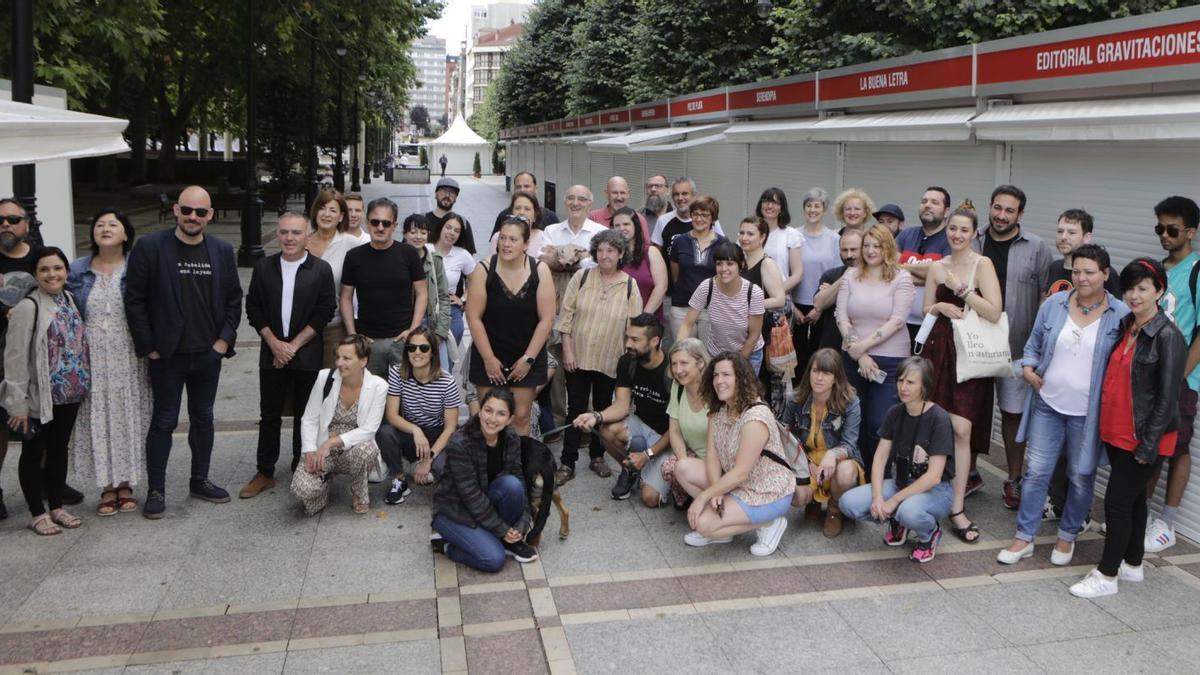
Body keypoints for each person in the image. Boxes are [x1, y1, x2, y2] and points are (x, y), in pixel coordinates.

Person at [997, 244, 1128, 567]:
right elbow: (1034, 343)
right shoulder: (1054, 304)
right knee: (1037, 472)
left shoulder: (1121, 314)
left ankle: (1067, 535)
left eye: (1089, 272)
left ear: (1106, 274)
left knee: (1081, 475)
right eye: (1077, 271)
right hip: (1047, 405)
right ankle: (1023, 538)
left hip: (1088, 413)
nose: (1081, 278)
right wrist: (1028, 367)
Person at [1070, 258, 1186, 598]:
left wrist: (1148, 445)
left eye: (1143, 289)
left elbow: (1167, 399)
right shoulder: (1127, 325)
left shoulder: (1168, 336)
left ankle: (1106, 575)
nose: (1135, 296)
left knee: (1117, 503)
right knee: (1134, 501)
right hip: (1119, 431)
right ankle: (1132, 564)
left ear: (1159, 291)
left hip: (1146, 437)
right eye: (1131, 288)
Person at [125, 185, 243, 519]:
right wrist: (148, 346)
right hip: (167, 355)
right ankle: (156, 490)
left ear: (211, 215)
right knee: (163, 421)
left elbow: (234, 299)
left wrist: (223, 342)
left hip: (207, 354)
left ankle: (200, 479)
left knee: (204, 418)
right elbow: (134, 300)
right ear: (176, 210)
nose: (193, 217)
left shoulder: (221, 250)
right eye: (187, 210)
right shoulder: (150, 247)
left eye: (201, 212)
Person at [239, 212, 336, 499]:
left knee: (305, 415)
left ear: (308, 236)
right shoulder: (264, 267)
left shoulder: (320, 270)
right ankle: (265, 471)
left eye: (296, 232)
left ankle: (300, 466)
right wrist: (274, 344)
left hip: (306, 354)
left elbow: (324, 311)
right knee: (269, 414)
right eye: (284, 232)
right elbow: (254, 309)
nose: (289, 238)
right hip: (271, 355)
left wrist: (292, 346)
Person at [919, 203, 1002, 540]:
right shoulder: (937, 267)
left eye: (964, 230)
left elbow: (995, 312)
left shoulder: (983, 264)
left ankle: (957, 505)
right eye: (953, 229)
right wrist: (938, 305)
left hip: (970, 352)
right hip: (938, 350)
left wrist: (963, 290)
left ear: (974, 233)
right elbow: (926, 307)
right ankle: (928, 494)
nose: (956, 235)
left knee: (962, 429)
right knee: (932, 424)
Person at [0, 198, 83, 519]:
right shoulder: (28, 306)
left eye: (12, 218)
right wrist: (16, 400)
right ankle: (37, 511)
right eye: (45, 270)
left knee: (55, 446)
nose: (5, 224)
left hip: (62, 390)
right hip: (27, 380)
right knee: (29, 447)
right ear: (35, 275)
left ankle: (55, 500)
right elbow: (17, 355)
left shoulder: (70, 299)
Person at [972, 185, 1053, 509]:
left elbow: (1046, 296)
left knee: (1012, 415)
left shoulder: (1036, 247)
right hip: (974, 345)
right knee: (972, 412)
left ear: (1020, 214)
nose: (1001, 215)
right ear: (989, 207)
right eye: (997, 208)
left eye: (1009, 210)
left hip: (1016, 348)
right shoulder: (973, 239)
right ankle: (969, 474)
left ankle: (1014, 478)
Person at [67, 210, 150, 516]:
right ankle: (106, 486)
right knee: (98, 417)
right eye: (99, 224)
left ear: (126, 234)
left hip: (127, 354)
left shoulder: (136, 269)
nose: (104, 228)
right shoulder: (77, 270)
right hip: (91, 356)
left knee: (127, 414)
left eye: (112, 224)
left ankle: (126, 483)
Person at [674, 352, 795, 557]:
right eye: (715, 375)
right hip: (735, 485)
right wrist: (716, 491)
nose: (719, 381)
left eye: (726, 375)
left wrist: (704, 497)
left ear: (741, 378)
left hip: (766, 490)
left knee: (703, 524)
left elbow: (741, 473)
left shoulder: (756, 417)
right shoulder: (719, 410)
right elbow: (712, 456)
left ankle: (769, 523)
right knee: (682, 467)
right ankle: (724, 527)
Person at [839, 357, 954, 563]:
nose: (903, 387)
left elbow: (934, 477)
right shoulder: (895, 412)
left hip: (935, 491)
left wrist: (893, 501)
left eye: (911, 382)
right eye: (900, 381)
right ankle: (898, 520)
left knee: (909, 511)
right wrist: (877, 498)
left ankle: (929, 534)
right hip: (901, 483)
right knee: (848, 503)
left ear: (925, 385)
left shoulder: (939, 418)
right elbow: (880, 458)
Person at [556, 229, 643, 484]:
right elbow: (566, 316)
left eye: (611, 251)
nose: (604, 255)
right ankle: (567, 461)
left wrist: (628, 361)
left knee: (603, 408)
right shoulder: (582, 277)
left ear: (620, 254)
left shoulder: (629, 285)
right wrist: (568, 350)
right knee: (576, 407)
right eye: (601, 250)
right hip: (579, 356)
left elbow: (634, 327)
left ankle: (597, 456)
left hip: (610, 360)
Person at [466, 216, 556, 437]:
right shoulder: (484, 269)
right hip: (490, 353)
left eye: (513, 239)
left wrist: (528, 359)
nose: (506, 244)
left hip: (526, 354)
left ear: (526, 244)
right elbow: (473, 317)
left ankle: (516, 466)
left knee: (520, 416)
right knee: (488, 419)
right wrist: (488, 359)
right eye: (503, 238)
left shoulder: (540, 270)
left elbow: (546, 319)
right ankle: (488, 468)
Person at [431, 387, 538, 572]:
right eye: (488, 411)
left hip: (486, 506)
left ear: (510, 419)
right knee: (492, 560)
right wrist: (503, 530)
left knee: (512, 485)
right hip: (455, 512)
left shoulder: (511, 437)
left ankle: (505, 541)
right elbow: (471, 496)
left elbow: (520, 481)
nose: (492, 419)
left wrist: (521, 525)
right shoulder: (460, 442)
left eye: (501, 414)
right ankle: (447, 545)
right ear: (479, 411)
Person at [1145, 196, 1200, 553]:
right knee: (1148, 446)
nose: (1164, 235)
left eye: (1172, 229)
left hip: (1180, 380)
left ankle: (1168, 522)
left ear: (1191, 232)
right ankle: (1140, 513)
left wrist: (1180, 376)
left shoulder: (1196, 270)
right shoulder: (1157, 270)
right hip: (1148, 376)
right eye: (1159, 228)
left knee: (1177, 448)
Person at [570, 314, 671, 504]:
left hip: (668, 437)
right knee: (607, 429)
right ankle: (630, 469)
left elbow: (678, 427)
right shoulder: (628, 361)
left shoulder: (671, 371)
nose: (628, 344)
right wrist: (595, 416)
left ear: (655, 341)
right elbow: (622, 406)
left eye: (635, 339)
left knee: (650, 498)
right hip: (642, 426)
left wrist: (648, 455)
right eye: (627, 337)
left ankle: (661, 472)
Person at [835, 225, 914, 469]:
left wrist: (862, 348)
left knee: (879, 423)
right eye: (866, 245)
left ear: (888, 248)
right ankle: (856, 477)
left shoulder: (901, 277)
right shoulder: (851, 275)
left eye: (876, 246)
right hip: (853, 357)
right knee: (854, 422)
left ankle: (880, 481)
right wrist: (858, 353)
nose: (870, 251)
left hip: (889, 362)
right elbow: (841, 317)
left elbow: (898, 320)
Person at [292, 334, 387, 515]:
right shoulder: (324, 378)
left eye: (346, 358)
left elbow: (369, 430)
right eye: (338, 357)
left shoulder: (378, 386)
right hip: (322, 450)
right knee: (303, 491)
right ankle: (325, 479)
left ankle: (358, 491)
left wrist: (332, 442)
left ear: (363, 361)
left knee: (366, 450)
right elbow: (309, 418)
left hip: (352, 450)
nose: (339, 363)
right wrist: (310, 450)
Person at [340, 197, 427, 378]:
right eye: (375, 222)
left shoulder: (409, 253)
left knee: (405, 400)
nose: (380, 227)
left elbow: (422, 293)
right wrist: (353, 335)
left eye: (386, 223)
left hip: (402, 340)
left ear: (394, 225)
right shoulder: (353, 257)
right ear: (367, 222)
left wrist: (413, 329)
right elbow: (346, 297)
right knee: (371, 399)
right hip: (368, 342)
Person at [781, 348, 863, 538]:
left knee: (845, 473)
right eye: (815, 371)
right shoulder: (795, 399)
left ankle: (835, 509)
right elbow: (784, 437)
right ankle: (813, 500)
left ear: (836, 378)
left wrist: (832, 455)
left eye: (826, 373)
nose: (819, 378)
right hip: (806, 459)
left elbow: (850, 445)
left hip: (839, 461)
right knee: (795, 497)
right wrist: (805, 462)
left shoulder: (850, 402)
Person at [377, 326, 462, 505]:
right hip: (411, 432)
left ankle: (440, 479)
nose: (417, 352)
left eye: (423, 348)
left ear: (432, 352)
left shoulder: (446, 382)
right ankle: (399, 480)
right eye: (411, 347)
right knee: (384, 432)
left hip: (437, 434)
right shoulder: (397, 372)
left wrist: (428, 459)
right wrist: (416, 431)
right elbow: (392, 415)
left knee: (439, 469)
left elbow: (450, 428)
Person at [679, 240, 766, 372]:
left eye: (730, 264)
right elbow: (687, 323)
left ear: (741, 265)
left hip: (748, 354)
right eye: (719, 264)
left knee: (744, 392)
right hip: (716, 353)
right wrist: (679, 351)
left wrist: (737, 365)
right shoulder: (707, 286)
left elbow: (754, 335)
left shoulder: (754, 292)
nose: (723, 269)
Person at [738, 216, 789, 409]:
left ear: (762, 237)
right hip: (744, 331)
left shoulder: (766, 263)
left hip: (764, 334)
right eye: (742, 233)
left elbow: (779, 299)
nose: (744, 237)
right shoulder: (740, 261)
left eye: (750, 234)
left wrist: (748, 304)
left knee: (761, 386)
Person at [306, 189, 359, 368]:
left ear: (341, 216)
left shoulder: (352, 244)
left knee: (333, 384)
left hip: (335, 328)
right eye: (322, 208)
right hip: (301, 327)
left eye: (333, 210)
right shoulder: (302, 242)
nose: (326, 214)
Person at [793, 188, 842, 378]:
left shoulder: (834, 239)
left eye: (817, 206)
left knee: (819, 356)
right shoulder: (793, 235)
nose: (812, 210)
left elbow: (838, 276)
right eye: (809, 205)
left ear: (825, 210)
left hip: (823, 306)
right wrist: (792, 306)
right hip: (796, 306)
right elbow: (787, 272)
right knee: (796, 357)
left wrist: (819, 308)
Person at [668, 195, 727, 345]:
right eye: (695, 214)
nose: (699, 219)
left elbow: (724, 276)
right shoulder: (679, 241)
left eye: (705, 215)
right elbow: (675, 274)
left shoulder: (723, 244)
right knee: (682, 351)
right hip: (682, 307)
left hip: (710, 309)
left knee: (707, 355)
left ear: (713, 218)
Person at [897, 187, 952, 345]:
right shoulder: (906, 235)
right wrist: (929, 276)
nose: (927, 205)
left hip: (933, 325)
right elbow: (890, 267)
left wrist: (906, 268)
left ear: (946, 211)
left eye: (935, 202)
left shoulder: (951, 238)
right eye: (924, 201)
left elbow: (945, 275)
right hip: (899, 323)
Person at [662, 338, 711, 508]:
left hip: (719, 462)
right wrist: (684, 465)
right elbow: (674, 431)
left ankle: (713, 503)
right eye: (674, 364)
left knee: (679, 468)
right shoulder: (678, 387)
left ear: (700, 363)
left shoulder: (715, 390)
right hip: (694, 455)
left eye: (684, 363)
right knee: (671, 467)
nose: (678, 370)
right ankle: (700, 500)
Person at [402, 214, 452, 367]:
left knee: (440, 373)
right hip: (403, 327)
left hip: (430, 326)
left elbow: (443, 297)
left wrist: (440, 333)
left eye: (423, 233)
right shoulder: (396, 257)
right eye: (413, 232)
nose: (418, 237)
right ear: (404, 233)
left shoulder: (435, 260)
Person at [1043, 209, 1120, 298]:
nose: (1063, 237)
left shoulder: (1104, 274)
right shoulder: (1054, 267)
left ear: (1087, 237)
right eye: (1060, 231)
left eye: (1071, 232)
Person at [430, 211, 477, 347]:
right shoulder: (426, 249)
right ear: (441, 227)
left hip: (450, 310)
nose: (451, 233)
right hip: (426, 310)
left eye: (456, 230)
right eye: (448, 227)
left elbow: (477, 280)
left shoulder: (462, 254)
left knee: (448, 361)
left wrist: (463, 299)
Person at [651, 177, 726, 261]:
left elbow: (723, 249)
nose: (680, 198)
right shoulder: (663, 220)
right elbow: (656, 255)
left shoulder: (708, 221)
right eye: (676, 194)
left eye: (685, 193)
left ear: (694, 195)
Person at [811, 230, 863, 351]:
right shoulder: (831, 275)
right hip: (831, 347)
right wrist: (845, 277)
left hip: (861, 345)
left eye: (854, 249)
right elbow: (818, 305)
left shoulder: (874, 276)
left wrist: (833, 294)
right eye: (844, 250)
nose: (849, 255)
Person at [615, 206, 667, 319]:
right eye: (617, 225)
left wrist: (644, 316)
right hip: (615, 320)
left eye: (626, 224)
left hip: (646, 321)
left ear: (635, 226)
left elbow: (661, 286)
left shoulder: (651, 252)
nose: (621, 228)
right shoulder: (611, 255)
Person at [755, 188, 804, 299]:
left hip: (780, 300)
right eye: (766, 201)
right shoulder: (749, 233)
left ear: (781, 208)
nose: (770, 206)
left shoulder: (791, 234)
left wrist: (775, 294)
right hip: (751, 299)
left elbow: (798, 274)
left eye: (775, 203)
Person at [492, 171, 559, 234]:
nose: (522, 190)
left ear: (536, 189)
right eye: (518, 187)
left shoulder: (550, 217)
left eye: (526, 186)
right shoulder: (504, 215)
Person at [490, 192, 547, 259]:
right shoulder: (498, 237)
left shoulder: (544, 238)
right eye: (517, 208)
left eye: (527, 209)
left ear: (535, 216)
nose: (521, 212)